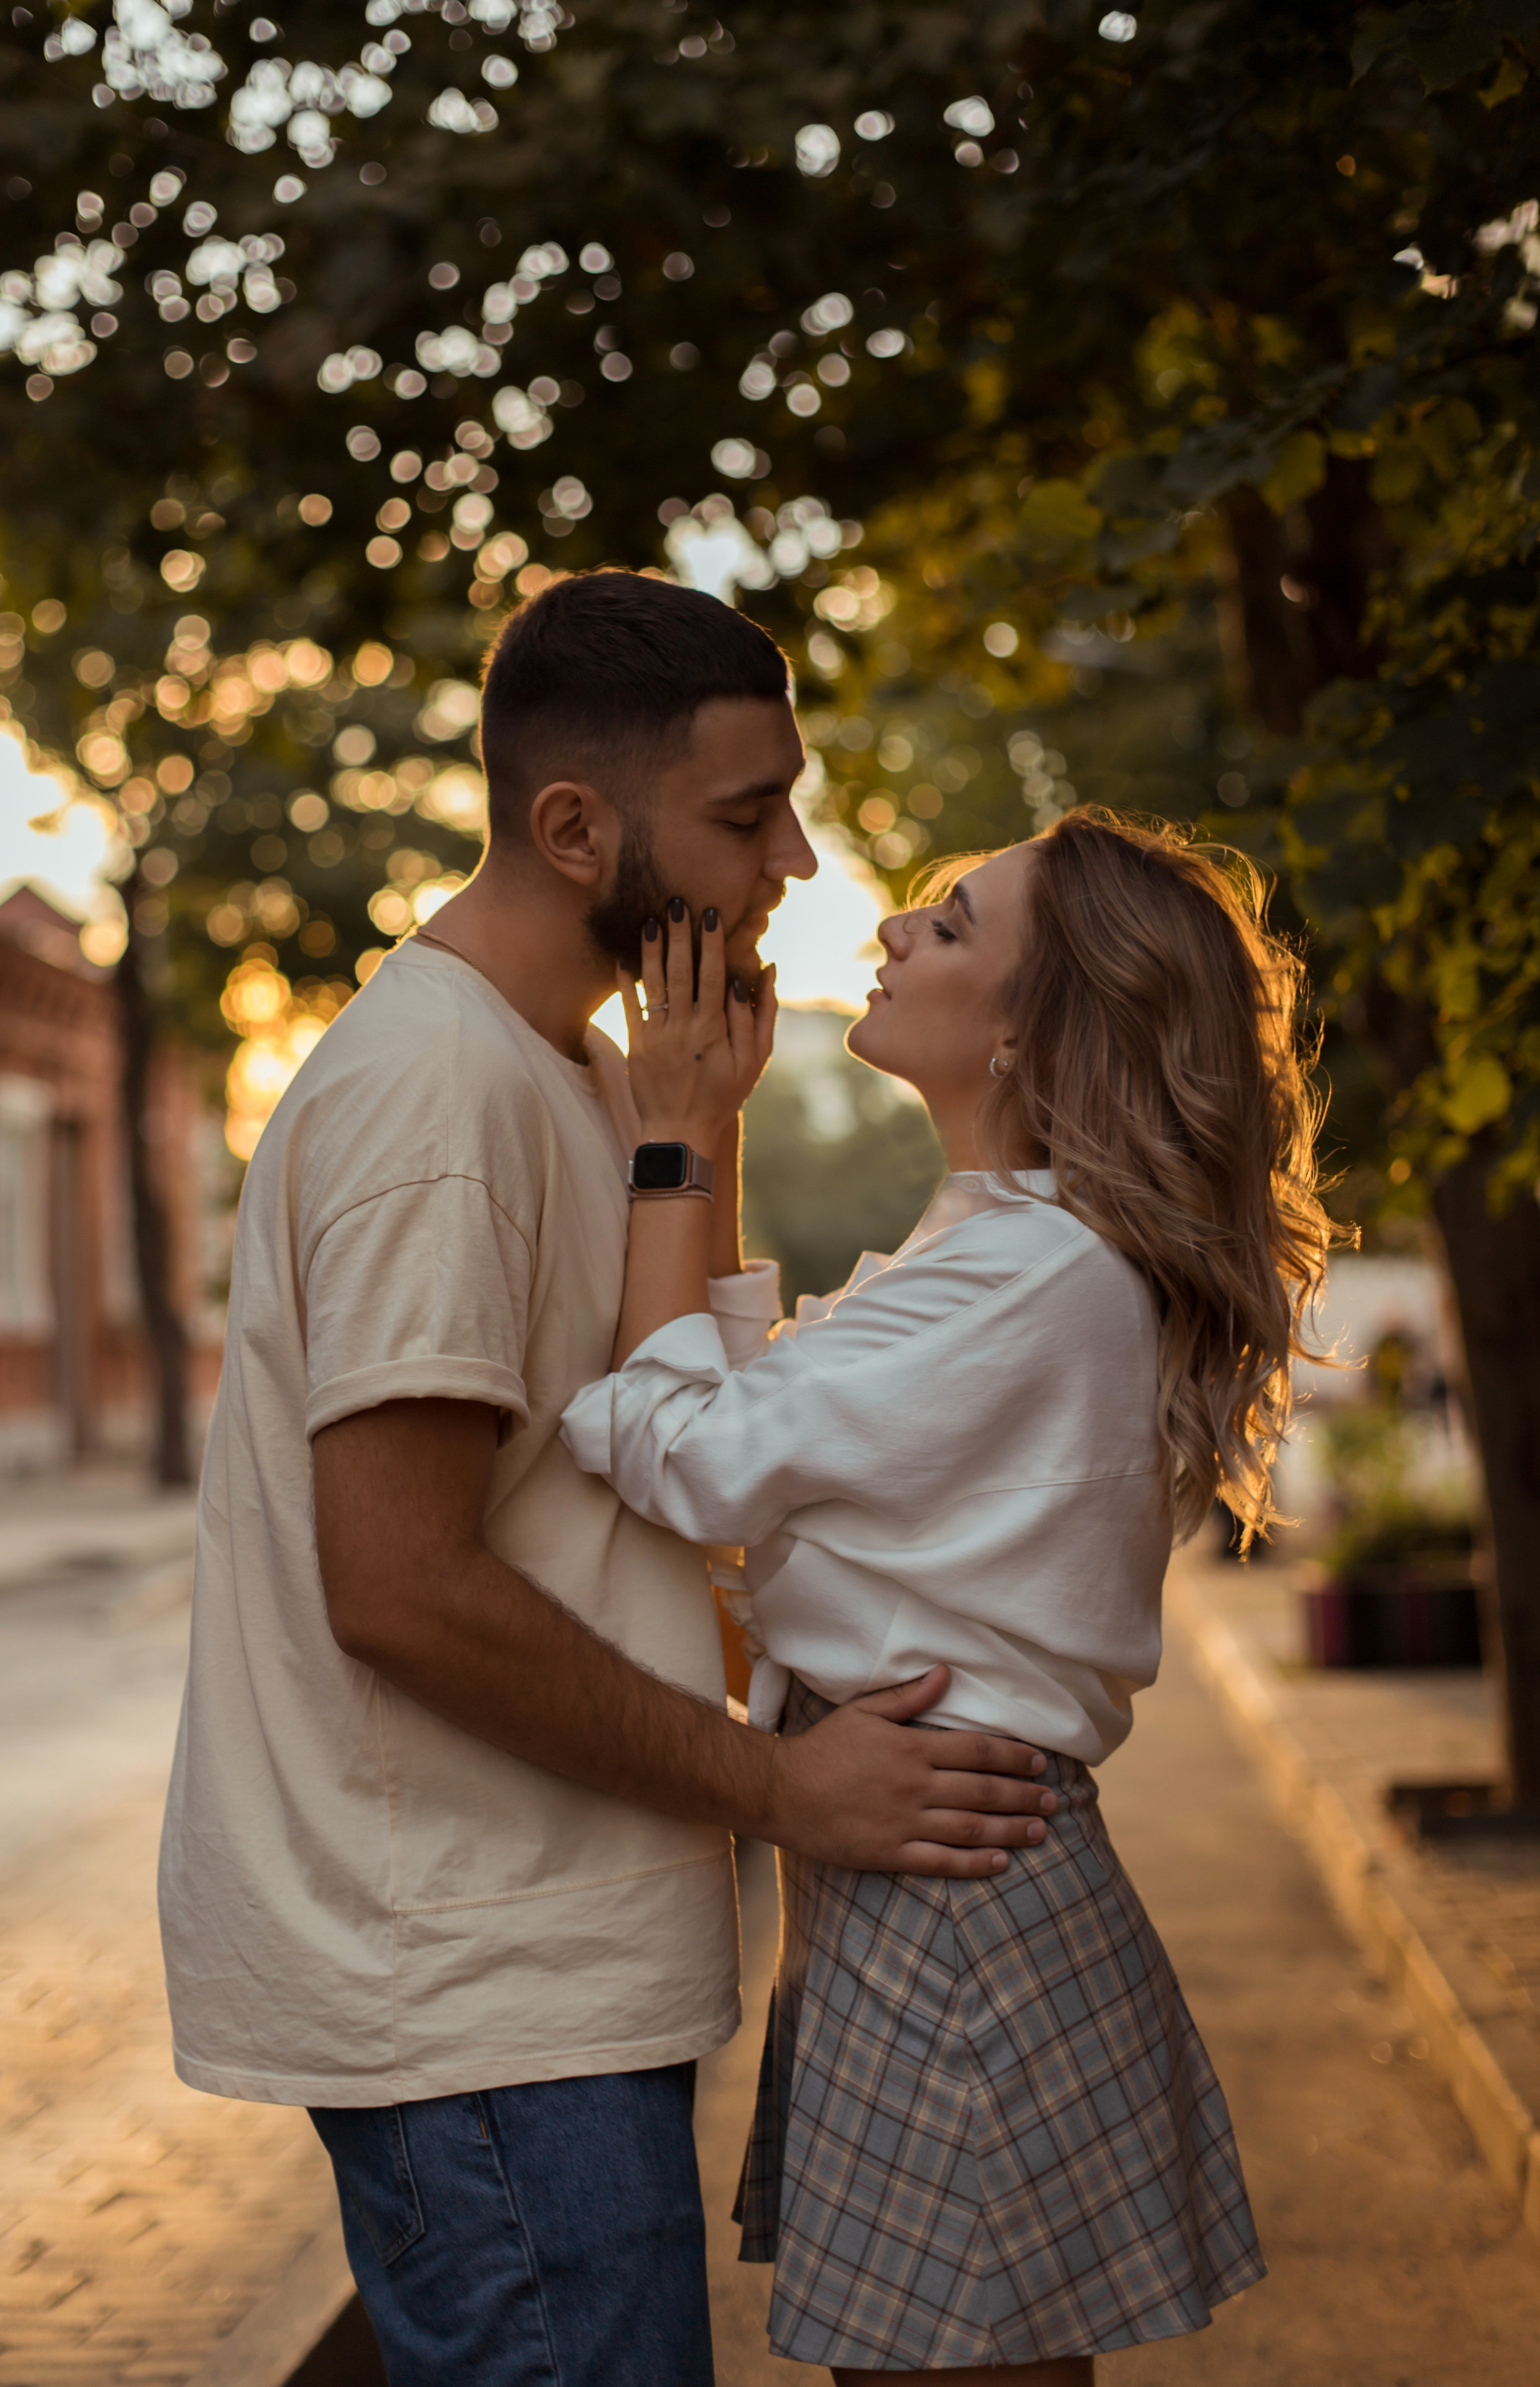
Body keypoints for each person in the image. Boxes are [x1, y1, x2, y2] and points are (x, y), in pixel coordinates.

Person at [157, 570, 1056, 2387]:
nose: (797, 864)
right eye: (746, 817)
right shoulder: (445, 1103)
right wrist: (780, 1788)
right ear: (574, 829)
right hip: (477, 1998)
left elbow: (676, 1458)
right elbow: (397, 1580)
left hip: (536, 1966)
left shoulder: (577, 1078)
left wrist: (695, 1137)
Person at [564, 808, 1334, 2382]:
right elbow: (739, 1431)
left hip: (950, 1899)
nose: (896, 932)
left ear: (1041, 1021)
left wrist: (670, 1142)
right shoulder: (998, 1254)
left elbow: (689, 1455)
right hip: (929, 1869)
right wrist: (703, 1134)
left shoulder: (1036, 1276)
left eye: (954, 923)